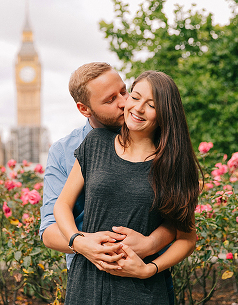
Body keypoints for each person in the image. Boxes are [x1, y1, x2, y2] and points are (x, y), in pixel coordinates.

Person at [54, 70, 202, 304]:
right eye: (135, 97)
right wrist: (77, 240)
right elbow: (62, 204)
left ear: (165, 114)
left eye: (151, 105)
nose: (138, 108)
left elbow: (187, 238)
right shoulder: (95, 143)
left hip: (142, 291)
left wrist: (148, 269)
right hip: (86, 285)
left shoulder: (174, 166)